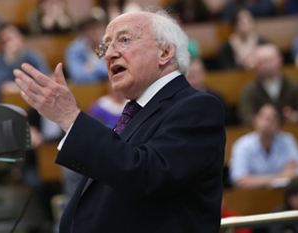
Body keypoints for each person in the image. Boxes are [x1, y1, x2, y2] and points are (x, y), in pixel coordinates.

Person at [14, 9, 226, 233]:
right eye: (105, 46)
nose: (108, 55)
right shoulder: (137, 111)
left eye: (124, 40)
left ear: (164, 51)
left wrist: (70, 118)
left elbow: (146, 174)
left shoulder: (198, 107)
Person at [230, 104, 298, 190]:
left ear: (279, 124)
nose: (265, 123)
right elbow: (239, 181)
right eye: (262, 117)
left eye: (271, 119)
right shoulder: (242, 145)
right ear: (254, 120)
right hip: (251, 198)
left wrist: (255, 180)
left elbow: (294, 174)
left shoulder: (288, 141)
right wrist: (280, 176)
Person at [0, 24, 50, 102]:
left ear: (21, 37)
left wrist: (20, 87)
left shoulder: (34, 56)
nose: (10, 44)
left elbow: (43, 78)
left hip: (35, 98)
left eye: (11, 39)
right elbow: (0, 85)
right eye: (5, 41)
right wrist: (9, 61)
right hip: (8, 102)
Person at [239, 44, 298, 125]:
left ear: (280, 60)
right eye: (261, 62)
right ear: (255, 65)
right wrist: (259, 121)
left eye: (269, 60)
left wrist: (294, 117)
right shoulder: (249, 90)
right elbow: (245, 115)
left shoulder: (294, 86)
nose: (266, 65)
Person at [186, 58, 237, 125]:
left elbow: (226, 120)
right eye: (190, 74)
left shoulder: (216, 97)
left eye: (197, 73)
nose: (193, 77)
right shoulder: (177, 99)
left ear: (204, 73)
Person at [64, 16, 108, 84]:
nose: (95, 32)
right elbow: (76, 76)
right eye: (90, 29)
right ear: (83, 32)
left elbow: (111, 70)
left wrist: (94, 67)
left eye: (97, 27)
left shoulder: (106, 45)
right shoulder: (74, 49)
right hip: (84, 89)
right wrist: (102, 74)